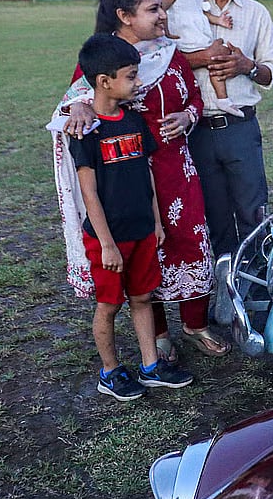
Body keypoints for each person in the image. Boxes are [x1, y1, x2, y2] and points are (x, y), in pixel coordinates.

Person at [52, 0, 230, 361]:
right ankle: (159, 336)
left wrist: (187, 117)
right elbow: (78, 102)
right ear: (125, 15)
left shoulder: (168, 52)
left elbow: (195, 99)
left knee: (189, 241)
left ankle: (195, 324)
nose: (162, 16)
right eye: (153, 9)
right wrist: (78, 105)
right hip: (130, 177)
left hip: (178, 171)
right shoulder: (106, 58)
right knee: (147, 251)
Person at [67, 33, 193, 401]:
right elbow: (87, 193)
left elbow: (148, 175)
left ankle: (151, 366)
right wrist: (106, 244)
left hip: (141, 231)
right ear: (105, 81)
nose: (138, 83)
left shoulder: (135, 122)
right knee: (109, 306)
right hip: (109, 239)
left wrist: (155, 222)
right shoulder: (86, 131)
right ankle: (110, 371)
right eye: (131, 76)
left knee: (143, 298)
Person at [183, 0, 273, 261]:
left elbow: (271, 72)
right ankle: (222, 291)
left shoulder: (256, 14)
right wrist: (204, 58)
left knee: (253, 213)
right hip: (194, 129)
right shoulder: (182, 1)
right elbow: (161, 59)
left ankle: (255, 286)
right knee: (213, 217)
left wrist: (246, 65)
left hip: (240, 127)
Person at [157, 0, 241, 116]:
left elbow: (201, 12)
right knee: (196, 69)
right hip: (184, 40)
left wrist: (218, 20)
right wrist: (166, 31)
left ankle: (223, 99)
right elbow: (159, 11)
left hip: (200, 38)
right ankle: (189, 105)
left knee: (219, 58)